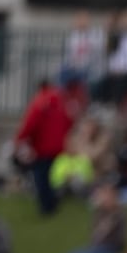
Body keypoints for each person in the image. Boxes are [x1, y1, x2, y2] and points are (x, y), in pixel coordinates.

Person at [39, 185, 127, 253]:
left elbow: (120, 238)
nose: (105, 200)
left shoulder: (119, 214)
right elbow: (95, 232)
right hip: (99, 245)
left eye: (107, 197)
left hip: (112, 248)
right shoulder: (100, 212)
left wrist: (106, 230)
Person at [14, 80, 74, 217]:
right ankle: (52, 203)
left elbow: (30, 123)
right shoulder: (61, 102)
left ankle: (46, 207)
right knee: (51, 177)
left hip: (42, 147)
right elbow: (69, 121)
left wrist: (19, 139)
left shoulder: (40, 102)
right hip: (58, 147)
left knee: (41, 178)